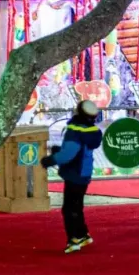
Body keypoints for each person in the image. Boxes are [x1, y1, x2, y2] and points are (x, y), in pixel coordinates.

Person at [42, 98, 102, 253]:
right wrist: (58, 150)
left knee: (69, 209)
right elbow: (78, 150)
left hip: (74, 173)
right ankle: (83, 234)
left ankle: (73, 239)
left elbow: (69, 153)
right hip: (84, 173)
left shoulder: (76, 132)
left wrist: (51, 160)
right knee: (77, 206)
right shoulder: (90, 132)